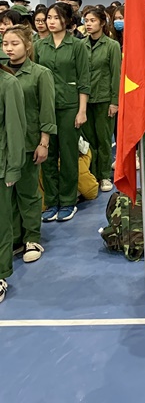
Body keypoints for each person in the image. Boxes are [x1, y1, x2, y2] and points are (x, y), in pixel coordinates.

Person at [2, 26, 55, 263]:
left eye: (14, 43)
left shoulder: (40, 74)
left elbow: (46, 109)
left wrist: (44, 142)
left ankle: (32, 237)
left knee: (28, 192)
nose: (9, 48)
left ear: (27, 45)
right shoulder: (2, 74)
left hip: (28, 142)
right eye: (5, 44)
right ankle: (15, 236)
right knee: (8, 196)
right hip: (4, 146)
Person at [34, 2, 90, 223]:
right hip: (45, 107)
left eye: (56, 18)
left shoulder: (77, 46)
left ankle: (67, 201)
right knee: (47, 155)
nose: (51, 21)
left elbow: (84, 80)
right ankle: (52, 202)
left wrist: (82, 110)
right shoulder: (39, 46)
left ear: (66, 20)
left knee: (68, 155)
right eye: (49, 17)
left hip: (69, 106)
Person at [82, 7, 122, 192]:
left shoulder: (112, 46)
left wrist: (115, 101)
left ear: (102, 23)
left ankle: (104, 174)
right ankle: (92, 174)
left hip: (104, 99)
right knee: (88, 140)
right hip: (85, 99)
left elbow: (116, 75)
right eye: (86, 21)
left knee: (104, 139)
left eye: (92, 21)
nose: (88, 24)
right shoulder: (80, 45)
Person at [0, 65, 27, 304]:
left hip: (1, 168)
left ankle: (0, 274)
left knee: (1, 224)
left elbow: (16, 129)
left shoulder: (8, 84)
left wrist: (14, 166)